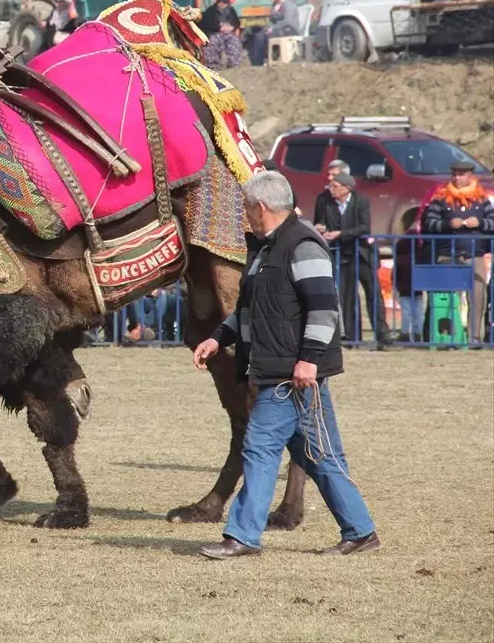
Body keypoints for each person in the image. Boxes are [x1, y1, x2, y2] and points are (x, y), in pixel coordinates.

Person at [194, 171, 379, 560]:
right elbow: (249, 309)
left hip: (291, 374)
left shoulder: (303, 245)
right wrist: (217, 338)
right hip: (282, 370)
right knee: (321, 456)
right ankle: (361, 531)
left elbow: (325, 310)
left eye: (246, 208)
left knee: (259, 447)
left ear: (261, 207)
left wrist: (308, 361)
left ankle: (242, 536)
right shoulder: (264, 249)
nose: (245, 216)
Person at [421, 160, 494, 344]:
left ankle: (473, 338)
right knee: (445, 297)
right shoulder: (441, 198)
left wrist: (480, 224)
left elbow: (493, 222)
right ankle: (446, 337)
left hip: (474, 255)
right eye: (454, 174)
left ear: (470, 176)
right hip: (447, 255)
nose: (457, 178)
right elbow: (429, 223)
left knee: (477, 296)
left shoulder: (481, 199)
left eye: (461, 174)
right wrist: (447, 224)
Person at [314, 173, 389, 343]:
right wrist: (321, 227)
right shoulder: (326, 202)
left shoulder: (361, 201)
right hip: (342, 256)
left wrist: (341, 233)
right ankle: (350, 336)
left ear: (346, 188)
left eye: (334, 186)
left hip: (362, 254)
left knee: (373, 293)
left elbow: (364, 227)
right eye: (330, 186)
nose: (330, 189)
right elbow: (321, 222)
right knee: (346, 296)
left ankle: (383, 335)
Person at [248, 0, 299, 65]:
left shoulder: (288, 4)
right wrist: (269, 27)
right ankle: (258, 61)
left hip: (289, 29)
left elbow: (288, 21)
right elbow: (272, 19)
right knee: (258, 33)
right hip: (278, 28)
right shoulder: (275, 4)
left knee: (264, 35)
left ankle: (265, 59)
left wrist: (273, 28)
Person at [200, 0, 243, 69]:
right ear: (219, 2)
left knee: (235, 41)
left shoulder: (231, 10)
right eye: (223, 3)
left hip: (229, 33)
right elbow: (205, 23)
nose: (225, 5)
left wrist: (233, 28)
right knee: (212, 43)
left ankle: (234, 65)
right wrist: (219, 28)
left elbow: (237, 22)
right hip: (215, 33)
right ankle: (214, 65)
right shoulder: (210, 11)